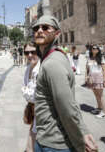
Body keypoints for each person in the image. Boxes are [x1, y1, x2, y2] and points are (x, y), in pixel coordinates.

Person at [32, 15, 97, 152]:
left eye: (45, 27)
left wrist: (80, 142)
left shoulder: (52, 63)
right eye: (36, 28)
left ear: (57, 33)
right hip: (48, 139)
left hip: (54, 143)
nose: (39, 30)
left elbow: (66, 107)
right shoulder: (51, 57)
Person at [22, 42, 40, 152]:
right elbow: (27, 89)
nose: (29, 55)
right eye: (26, 52)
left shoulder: (42, 68)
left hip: (42, 112)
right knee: (32, 134)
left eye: (33, 52)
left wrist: (26, 92)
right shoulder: (28, 68)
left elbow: (33, 94)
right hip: (34, 110)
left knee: (33, 137)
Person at [86, 45, 105, 119]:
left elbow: (104, 70)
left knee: (100, 96)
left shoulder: (101, 58)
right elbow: (87, 69)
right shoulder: (89, 58)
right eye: (93, 48)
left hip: (99, 78)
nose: (95, 50)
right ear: (91, 50)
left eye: (96, 48)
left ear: (98, 50)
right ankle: (99, 109)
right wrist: (87, 77)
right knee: (96, 95)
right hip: (92, 78)